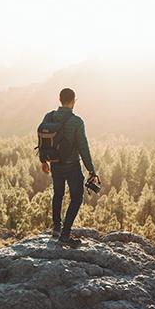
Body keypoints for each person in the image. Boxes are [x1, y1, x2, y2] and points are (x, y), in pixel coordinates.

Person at [40, 88, 98, 248]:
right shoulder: (77, 122)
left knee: (58, 194)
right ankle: (65, 234)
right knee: (77, 198)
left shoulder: (49, 116)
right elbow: (83, 147)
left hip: (55, 164)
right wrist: (91, 170)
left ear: (59, 99)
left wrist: (43, 161)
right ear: (73, 101)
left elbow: (42, 139)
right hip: (72, 166)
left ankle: (56, 229)